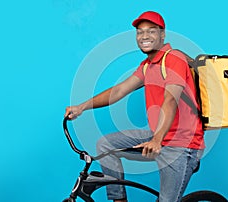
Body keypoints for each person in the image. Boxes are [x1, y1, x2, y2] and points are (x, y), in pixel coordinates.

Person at [65, 11, 205, 202]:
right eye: (140, 32)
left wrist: (157, 139)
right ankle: (119, 200)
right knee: (105, 144)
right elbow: (119, 91)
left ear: (162, 34)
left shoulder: (174, 59)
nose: (144, 36)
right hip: (157, 136)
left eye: (151, 31)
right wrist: (82, 106)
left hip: (181, 145)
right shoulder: (147, 66)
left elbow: (170, 99)